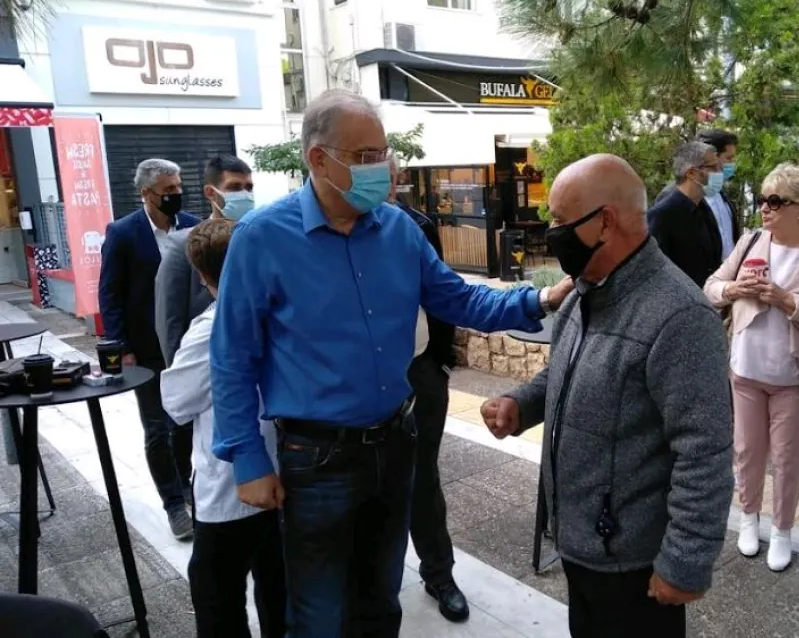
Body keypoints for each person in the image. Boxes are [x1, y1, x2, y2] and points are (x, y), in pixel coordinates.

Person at [209, 89, 574, 638]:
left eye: (382, 153)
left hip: (395, 442)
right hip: (316, 457)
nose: (381, 167)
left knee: (381, 601)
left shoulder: (399, 229)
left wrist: (541, 299)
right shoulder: (262, 239)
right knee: (317, 613)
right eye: (365, 156)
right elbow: (232, 356)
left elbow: (458, 298)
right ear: (318, 159)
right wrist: (246, 459)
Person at [480, 154, 733, 638]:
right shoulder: (584, 292)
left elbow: (705, 451)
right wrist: (522, 403)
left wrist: (684, 563)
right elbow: (566, 370)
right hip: (581, 544)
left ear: (605, 222)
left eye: (560, 221)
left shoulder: (679, 317)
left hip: (634, 566)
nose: (551, 232)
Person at [705, 163, 799, 571]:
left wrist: (788, 301)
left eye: (775, 201)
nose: (764, 208)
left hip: (796, 379)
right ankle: (748, 518)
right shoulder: (750, 242)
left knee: (788, 459)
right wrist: (733, 289)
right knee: (746, 452)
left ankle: (783, 529)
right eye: (762, 199)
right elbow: (710, 287)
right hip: (746, 372)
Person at [161, 218, 287, 638]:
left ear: (202, 276)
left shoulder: (210, 329)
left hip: (230, 486)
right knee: (279, 585)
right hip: (286, 470)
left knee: (217, 594)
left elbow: (177, 402)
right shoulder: (281, 310)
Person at [98, 158, 200, 539]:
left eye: (178, 187)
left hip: (186, 343)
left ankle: (186, 485)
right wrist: (121, 346)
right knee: (157, 427)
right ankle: (173, 504)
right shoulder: (124, 233)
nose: (176, 194)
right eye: (168, 190)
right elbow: (110, 294)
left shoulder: (192, 226)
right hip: (145, 348)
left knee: (184, 422)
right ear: (146, 193)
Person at [388, 155, 468, 622]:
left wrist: (439, 361)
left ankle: (439, 573)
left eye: (389, 175)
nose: (384, 184)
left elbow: (447, 295)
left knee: (423, 477)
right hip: (364, 381)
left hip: (420, 370)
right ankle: (375, 583)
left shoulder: (415, 228)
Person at [155, 154, 255, 366]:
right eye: (235, 187)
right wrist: (179, 372)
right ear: (211, 193)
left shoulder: (259, 238)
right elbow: (169, 320)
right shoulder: (184, 245)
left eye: (249, 187)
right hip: (203, 363)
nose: (245, 195)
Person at [647, 141, 723, 287]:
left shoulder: (704, 209)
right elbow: (655, 273)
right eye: (713, 167)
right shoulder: (662, 215)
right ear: (692, 173)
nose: (720, 172)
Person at [696, 129, 742, 259]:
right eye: (729, 158)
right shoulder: (683, 201)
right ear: (712, 157)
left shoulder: (724, 199)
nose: (732, 164)